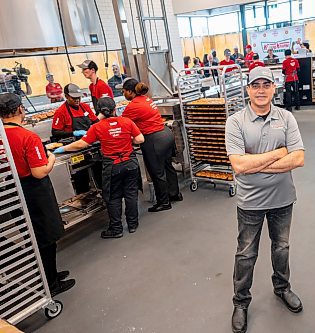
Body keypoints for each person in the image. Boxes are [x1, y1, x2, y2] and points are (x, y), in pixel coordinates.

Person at [225, 67, 305, 333]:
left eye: (266, 84)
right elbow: (238, 165)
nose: (261, 89)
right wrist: (279, 152)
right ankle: (241, 302)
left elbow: (298, 158)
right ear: (248, 89)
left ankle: (282, 288)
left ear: (274, 88)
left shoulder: (286, 117)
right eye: (255, 85)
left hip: (283, 198)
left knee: (281, 247)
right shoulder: (235, 121)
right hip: (250, 201)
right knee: (246, 253)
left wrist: (255, 163)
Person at [0, 92, 75, 297]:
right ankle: (50, 284)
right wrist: (50, 157)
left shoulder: (1, 136)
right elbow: (39, 171)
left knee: (33, 237)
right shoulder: (27, 136)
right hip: (34, 191)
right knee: (46, 238)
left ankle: (49, 274)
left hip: (14, 191)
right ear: (19, 109)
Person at [54, 97, 144, 239]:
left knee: (113, 197)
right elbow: (140, 139)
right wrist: (126, 139)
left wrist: (62, 149)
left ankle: (116, 229)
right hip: (130, 163)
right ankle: (133, 225)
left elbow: (81, 144)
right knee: (131, 194)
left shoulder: (97, 127)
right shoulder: (127, 121)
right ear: (115, 109)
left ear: (99, 112)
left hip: (113, 166)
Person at [117, 78, 182, 212]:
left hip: (154, 139)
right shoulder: (146, 99)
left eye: (124, 92)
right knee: (167, 166)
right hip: (165, 135)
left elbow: (122, 124)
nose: (123, 94)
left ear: (130, 91)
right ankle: (174, 194)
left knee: (156, 172)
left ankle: (164, 202)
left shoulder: (133, 105)